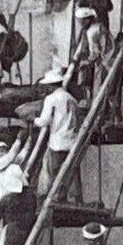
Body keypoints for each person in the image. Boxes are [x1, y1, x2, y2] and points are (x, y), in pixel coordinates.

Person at [35, 70, 83, 204]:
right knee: (71, 172)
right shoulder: (71, 99)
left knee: (53, 172)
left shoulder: (51, 99)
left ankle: (55, 199)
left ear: (51, 86)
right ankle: (76, 199)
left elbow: (44, 121)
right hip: (72, 141)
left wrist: (34, 120)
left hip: (57, 142)